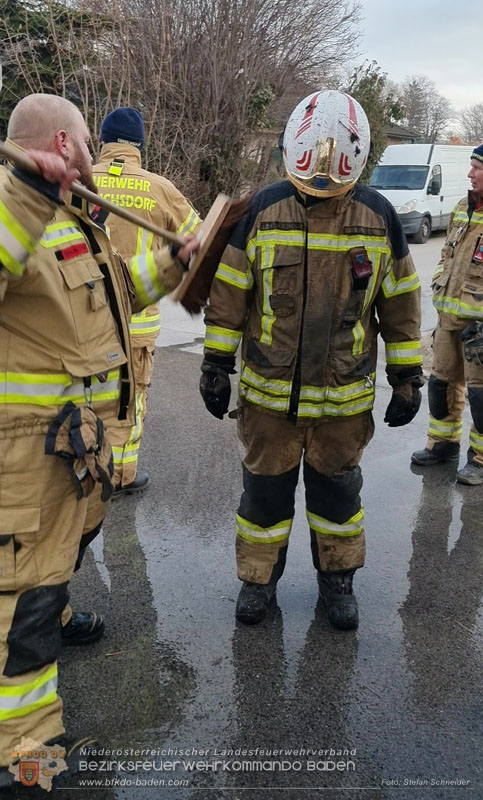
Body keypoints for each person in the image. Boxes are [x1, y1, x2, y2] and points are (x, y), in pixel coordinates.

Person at [0, 93, 198, 770]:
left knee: (46, 584)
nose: (94, 154)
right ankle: (23, 758)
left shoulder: (67, 218)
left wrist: (177, 262)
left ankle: (52, 633)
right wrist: (25, 194)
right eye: (83, 141)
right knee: (16, 618)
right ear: (61, 145)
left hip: (68, 457)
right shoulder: (13, 208)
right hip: (21, 464)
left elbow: (116, 291)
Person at [200, 90, 423, 630]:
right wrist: (214, 363)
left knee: (338, 501)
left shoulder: (379, 216)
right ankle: (257, 585)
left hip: (342, 405)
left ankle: (338, 586)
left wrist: (408, 376)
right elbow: (230, 291)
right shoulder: (262, 209)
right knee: (263, 501)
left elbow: (401, 302)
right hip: (269, 402)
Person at [92, 108, 201, 495]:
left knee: (84, 395)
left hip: (84, 320)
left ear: (103, 140)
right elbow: (199, 240)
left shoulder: (81, 181)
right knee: (130, 399)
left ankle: (84, 472)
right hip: (136, 325)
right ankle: (121, 475)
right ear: (139, 145)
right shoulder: (160, 188)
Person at [411, 144, 483, 484]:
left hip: (480, 327)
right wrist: (440, 281)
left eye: (477, 168)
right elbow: (445, 256)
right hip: (448, 320)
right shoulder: (460, 208)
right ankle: (442, 444)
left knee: (481, 396)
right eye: (470, 167)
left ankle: (480, 460)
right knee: (441, 384)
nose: (470, 174)